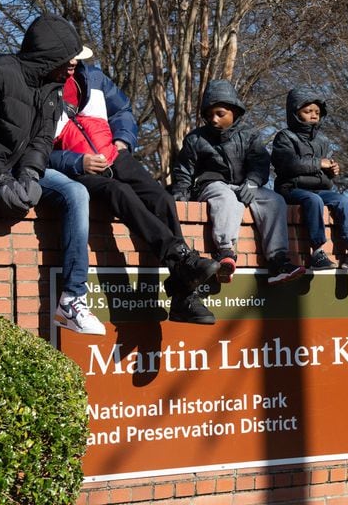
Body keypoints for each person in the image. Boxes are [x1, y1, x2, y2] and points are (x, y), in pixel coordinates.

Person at [0, 14, 106, 334]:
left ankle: (72, 300)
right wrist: (0, 178)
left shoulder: (54, 88)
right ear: (49, 55)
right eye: (69, 58)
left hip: (16, 167)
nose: (74, 65)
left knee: (76, 192)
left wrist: (29, 173)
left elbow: (42, 139)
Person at [50, 58, 220, 325]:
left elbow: (122, 110)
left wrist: (123, 140)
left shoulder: (93, 77)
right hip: (79, 171)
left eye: (76, 58)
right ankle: (182, 259)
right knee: (120, 193)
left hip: (115, 155)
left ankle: (181, 294)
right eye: (67, 59)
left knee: (162, 198)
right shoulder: (40, 90)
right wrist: (76, 162)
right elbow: (38, 151)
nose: (72, 64)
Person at [172, 79, 305, 285]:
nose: (214, 119)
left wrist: (253, 182)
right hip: (212, 185)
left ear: (234, 112)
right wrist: (181, 195)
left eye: (220, 114)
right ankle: (225, 252)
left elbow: (260, 162)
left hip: (245, 185)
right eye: (209, 115)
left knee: (274, 200)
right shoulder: (195, 139)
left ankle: (278, 261)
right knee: (226, 198)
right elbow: (183, 170)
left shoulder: (250, 136)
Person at [271, 86, 348, 274]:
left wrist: (332, 170)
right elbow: (289, 164)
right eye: (307, 111)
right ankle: (317, 252)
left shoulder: (322, 140)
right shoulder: (284, 137)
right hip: (292, 188)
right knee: (313, 200)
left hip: (318, 188)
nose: (313, 115)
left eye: (317, 112)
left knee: (343, 200)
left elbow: (325, 170)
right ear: (295, 113)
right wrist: (319, 163)